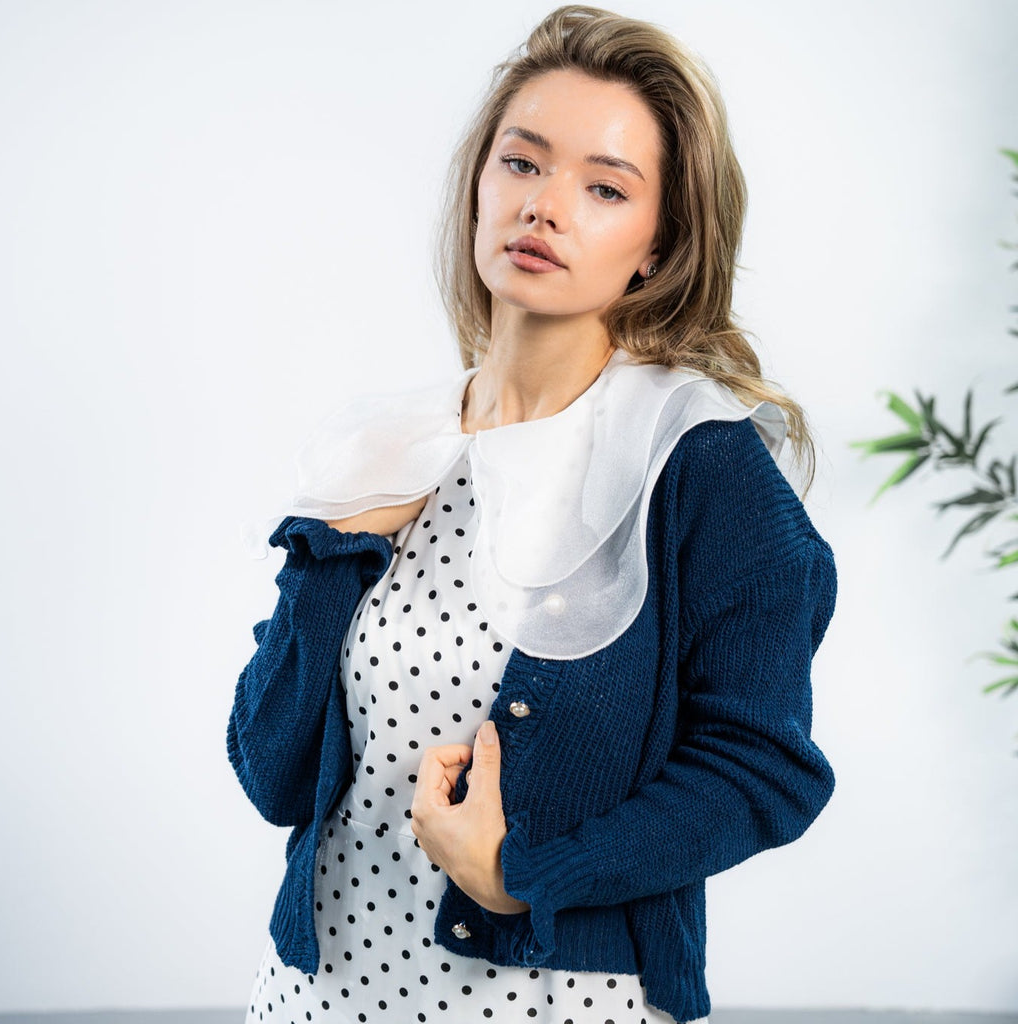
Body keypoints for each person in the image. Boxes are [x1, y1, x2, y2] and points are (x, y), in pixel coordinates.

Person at [228, 7, 836, 1024]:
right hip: (314, 996)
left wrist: (527, 874)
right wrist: (334, 557)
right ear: (478, 185)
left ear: (657, 245)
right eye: (521, 163)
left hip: (559, 1002)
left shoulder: (699, 463)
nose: (544, 206)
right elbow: (273, 775)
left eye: (605, 187)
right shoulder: (384, 447)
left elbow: (765, 767)